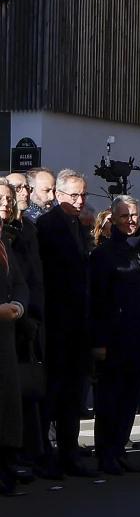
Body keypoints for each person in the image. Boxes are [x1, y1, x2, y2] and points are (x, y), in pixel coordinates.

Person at [87, 196, 140, 476]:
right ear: (113, 219)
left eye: (134, 215)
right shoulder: (104, 254)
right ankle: (106, 453)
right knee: (109, 400)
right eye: (125, 216)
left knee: (129, 399)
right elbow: (97, 300)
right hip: (114, 338)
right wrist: (99, 341)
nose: (131, 221)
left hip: (138, 336)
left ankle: (119, 449)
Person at [34, 169, 94, 478]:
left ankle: (70, 453)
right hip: (56, 321)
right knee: (52, 392)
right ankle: (46, 454)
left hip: (78, 322)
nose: (80, 200)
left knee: (73, 393)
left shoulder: (80, 225)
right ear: (58, 195)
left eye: (83, 195)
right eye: (74, 195)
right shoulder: (46, 225)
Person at [0, 183, 29, 493]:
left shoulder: (4, 241)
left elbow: (20, 282)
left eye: (8, 199)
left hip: (6, 334)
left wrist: (19, 306)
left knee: (9, 404)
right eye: (0, 199)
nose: (6, 204)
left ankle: (7, 466)